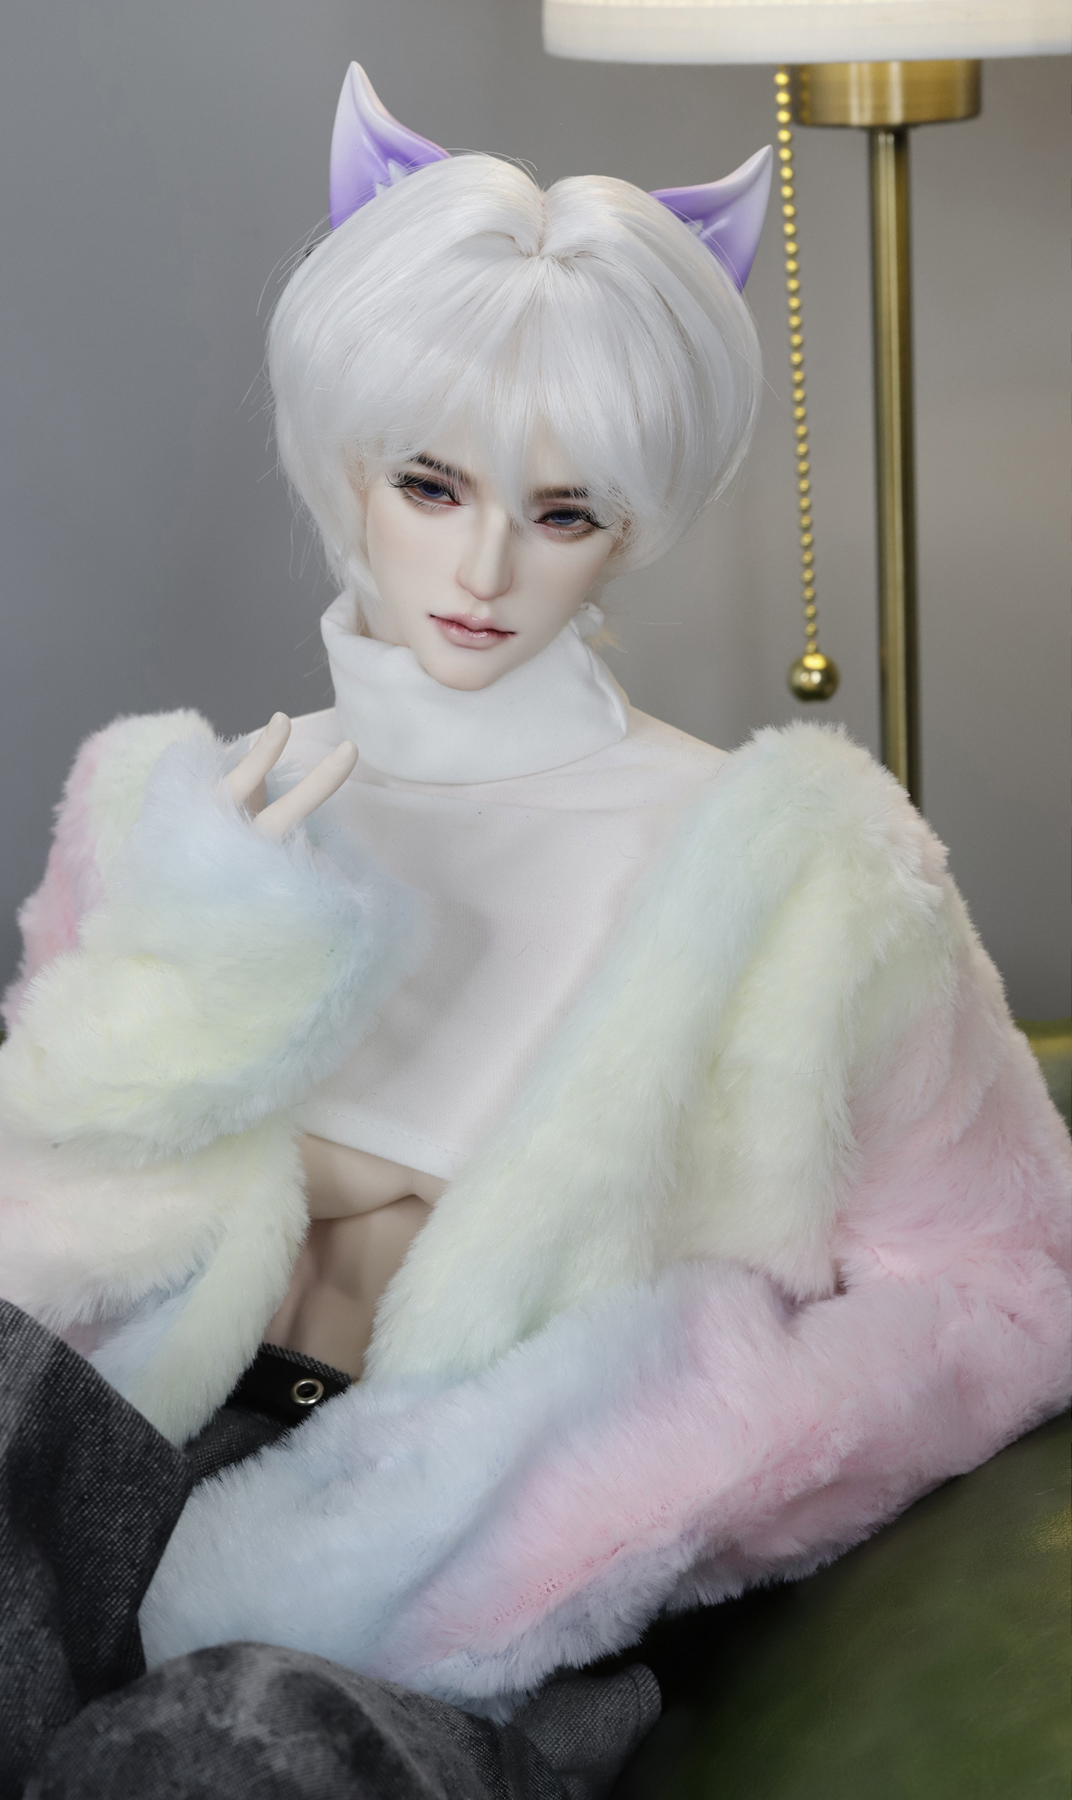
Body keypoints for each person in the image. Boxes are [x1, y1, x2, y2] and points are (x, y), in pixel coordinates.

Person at [0, 62, 1068, 1781]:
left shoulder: (800, 871)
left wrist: (650, 1448)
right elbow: (42, 1222)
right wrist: (208, 1021)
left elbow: (1011, 1289)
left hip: (452, 1601)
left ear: (629, 524)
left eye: (562, 512)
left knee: (223, 1755)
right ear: (348, 467)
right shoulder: (177, 812)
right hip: (101, 1472)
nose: (487, 570)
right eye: (432, 487)